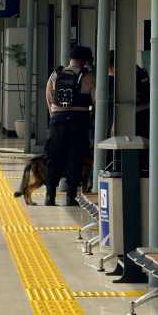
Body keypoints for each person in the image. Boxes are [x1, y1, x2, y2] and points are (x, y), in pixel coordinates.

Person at [45, 45, 96, 206]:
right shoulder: (89, 77)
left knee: (54, 156)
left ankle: (50, 196)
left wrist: (55, 116)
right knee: (75, 157)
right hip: (78, 120)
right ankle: (70, 196)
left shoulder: (56, 74)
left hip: (57, 119)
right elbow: (96, 102)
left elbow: (49, 98)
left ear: (69, 58)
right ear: (85, 61)